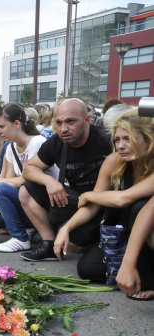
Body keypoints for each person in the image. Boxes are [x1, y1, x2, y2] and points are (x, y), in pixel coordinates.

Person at [46, 110, 154, 298]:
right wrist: (66, 228)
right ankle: (137, 273)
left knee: (139, 206)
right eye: (117, 140)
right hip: (125, 231)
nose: (120, 146)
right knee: (88, 268)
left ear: (148, 138)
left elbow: (123, 199)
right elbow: (93, 204)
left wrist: (89, 195)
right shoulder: (115, 161)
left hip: (149, 235)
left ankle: (145, 277)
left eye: (128, 139)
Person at [19, 98, 112, 261]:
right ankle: (49, 243)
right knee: (26, 189)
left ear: (88, 120)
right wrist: (50, 181)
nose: (64, 129)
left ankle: (93, 240)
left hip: (106, 204)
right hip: (78, 201)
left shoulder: (107, 140)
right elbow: (28, 169)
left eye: (71, 122)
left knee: (76, 245)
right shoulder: (56, 142)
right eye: (59, 122)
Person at [0, 104, 56, 252]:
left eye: (1, 126)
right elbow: (8, 182)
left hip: (45, 202)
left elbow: (27, 180)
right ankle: (28, 229)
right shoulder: (11, 148)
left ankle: (20, 237)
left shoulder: (37, 142)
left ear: (17, 124)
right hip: (27, 200)